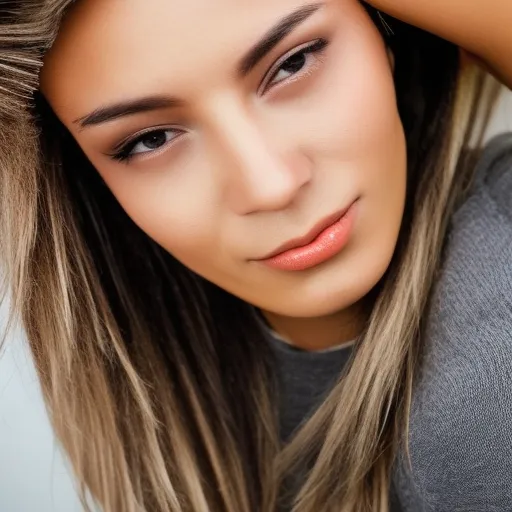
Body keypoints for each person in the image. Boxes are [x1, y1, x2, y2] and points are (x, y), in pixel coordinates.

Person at [0, 1, 510, 511]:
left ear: (385, 34)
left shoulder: (482, 396)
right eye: (151, 140)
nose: (270, 186)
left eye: (293, 63)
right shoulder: (163, 402)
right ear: (84, 180)